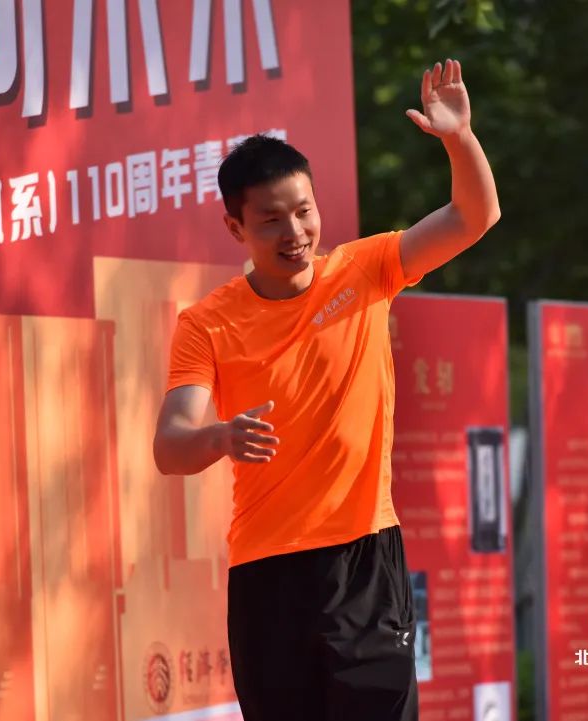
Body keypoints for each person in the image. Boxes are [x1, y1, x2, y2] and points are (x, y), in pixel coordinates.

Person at [153, 58, 500, 721]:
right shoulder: (207, 323)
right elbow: (170, 446)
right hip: (268, 573)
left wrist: (459, 138)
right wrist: (220, 437)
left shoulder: (365, 269)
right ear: (236, 228)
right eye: (270, 221)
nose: (294, 233)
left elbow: (474, 215)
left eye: (303, 211)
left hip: (366, 556)